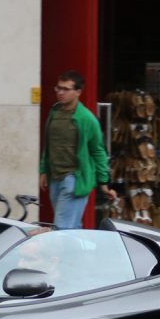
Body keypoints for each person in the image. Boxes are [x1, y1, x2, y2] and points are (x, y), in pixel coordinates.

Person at [38, 71, 117, 229]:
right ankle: (79, 253)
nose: (60, 93)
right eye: (58, 88)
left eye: (66, 89)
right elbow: (49, 145)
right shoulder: (54, 112)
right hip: (55, 178)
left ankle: (63, 254)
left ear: (78, 92)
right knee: (71, 227)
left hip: (75, 179)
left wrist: (103, 184)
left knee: (62, 227)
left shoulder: (87, 118)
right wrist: (43, 170)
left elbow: (98, 152)